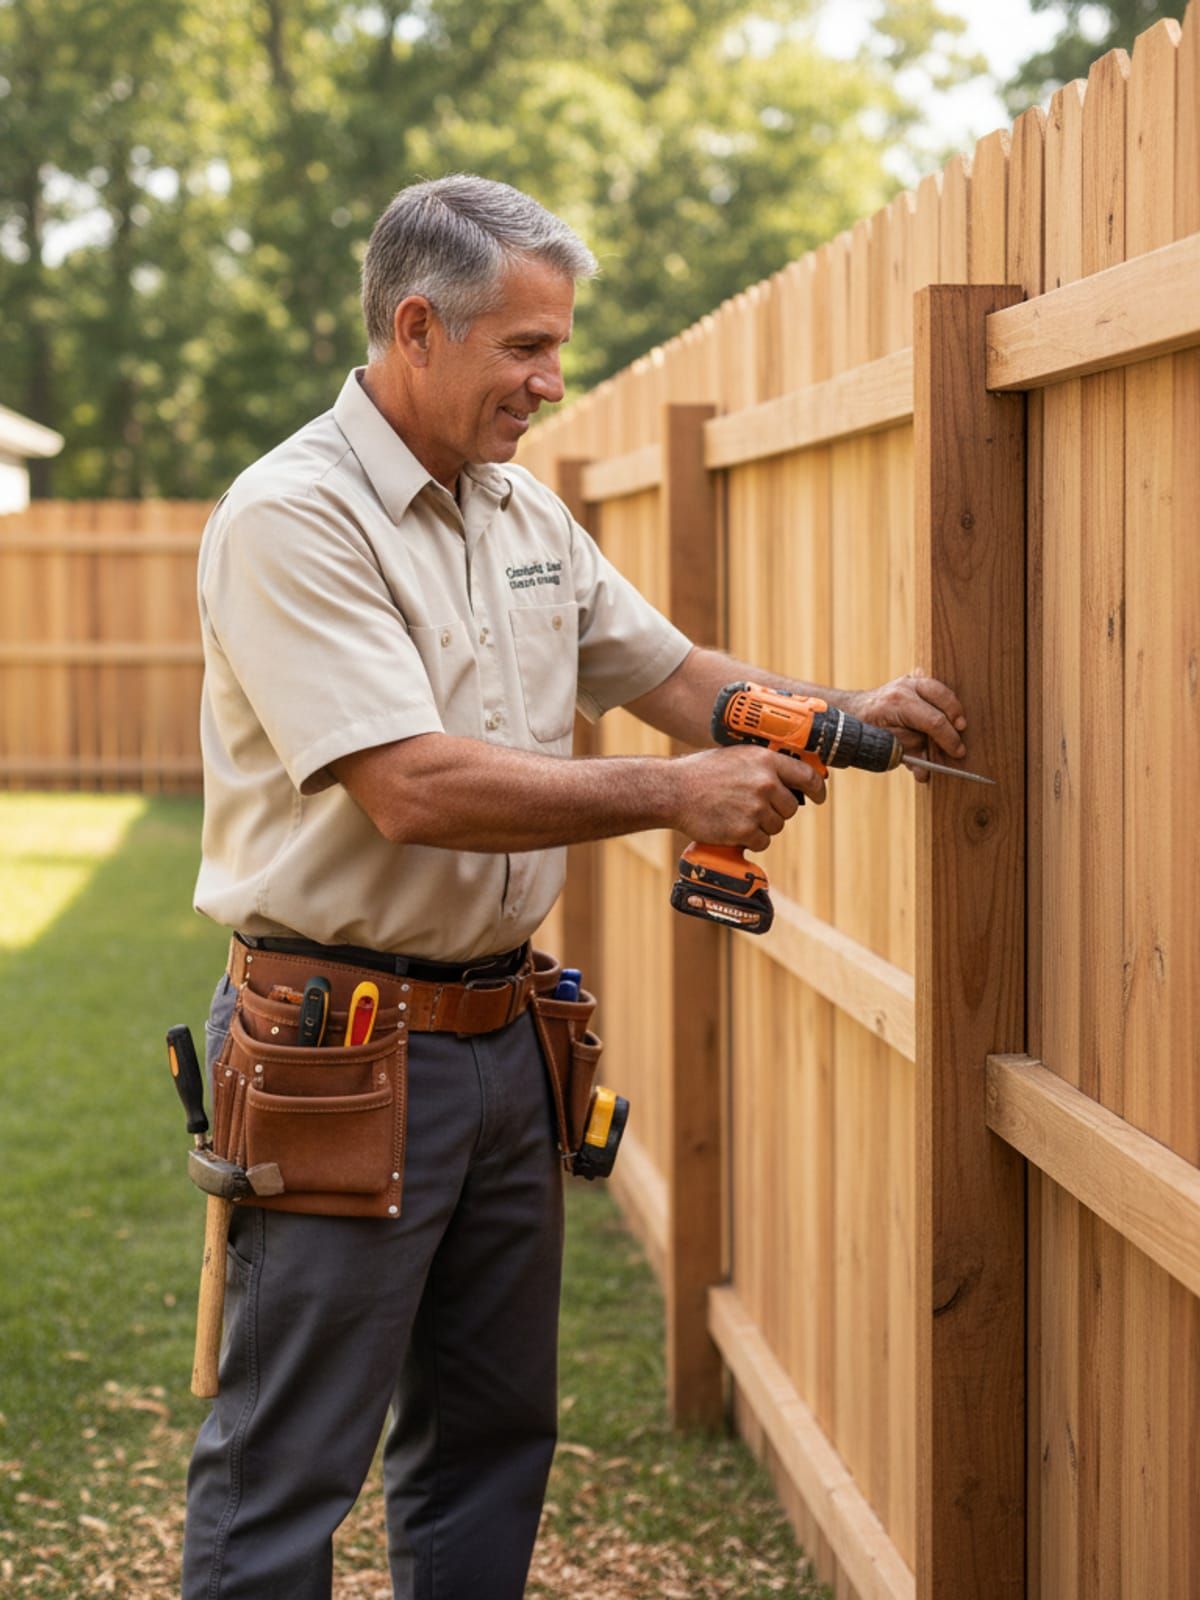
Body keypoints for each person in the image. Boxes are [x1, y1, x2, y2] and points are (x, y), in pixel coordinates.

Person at [182, 174, 968, 1600]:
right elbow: (412, 784)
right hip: (337, 1056)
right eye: (526, 348)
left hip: (504, 1051)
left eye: (557, 346)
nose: (554, 379)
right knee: (286, 1466)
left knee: (491, 1443)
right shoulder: (295, 518)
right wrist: (675, 796)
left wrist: (840, 715)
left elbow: (673, 681)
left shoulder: (521, 515)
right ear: (418, 327)